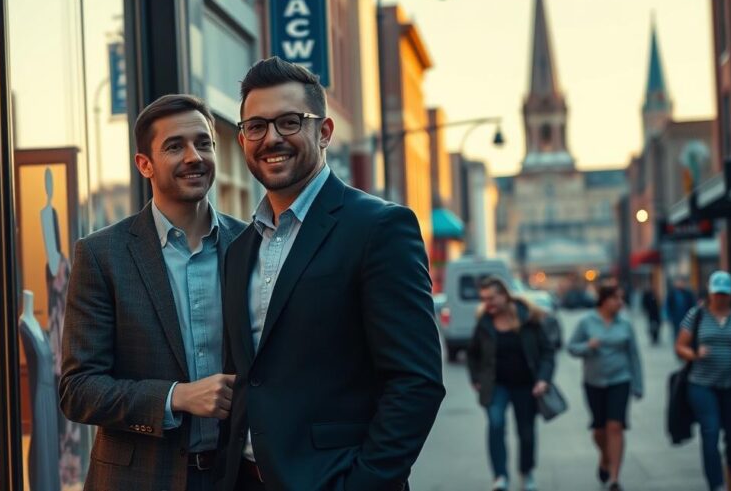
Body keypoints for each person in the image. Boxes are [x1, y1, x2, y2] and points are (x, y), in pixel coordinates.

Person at [215, 57, 445, 491]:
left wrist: (364, 483)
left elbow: (416, 382)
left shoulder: (379, 228)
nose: (271, 139)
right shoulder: (240, 248)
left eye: (288, 122)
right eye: (256, 126)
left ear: (323, 132)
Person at [59, 95, 246, 490]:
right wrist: (175, 397)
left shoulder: (249, 244)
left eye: (204, 143)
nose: (194, 156)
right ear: (145, 164)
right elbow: (78, 390)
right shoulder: (101, 254)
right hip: (137, 478)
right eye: (175, 146)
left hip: (236, 477)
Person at [467, 277, 556, 491]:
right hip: (496, 385)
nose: (487, 304)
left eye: (491, 298)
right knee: (496, 425)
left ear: (504, 296)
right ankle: (500, 476)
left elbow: (547, 352)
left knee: (526, 431)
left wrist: (543, 379)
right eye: (483, 299)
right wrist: (476, 378)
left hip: (526, 385)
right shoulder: (484, 322)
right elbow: (473, 353)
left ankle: (527, 473)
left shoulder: (528, 318)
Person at [676, 271, 731, 491]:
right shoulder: (696, 315)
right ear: (710, 293)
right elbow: (680, 345)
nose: (721, 298)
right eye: (717, 293)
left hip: (730, 386)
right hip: (701, 385)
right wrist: (693, 353)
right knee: (710, 432)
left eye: (725, 294)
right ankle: (716, 483)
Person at [568, 283, 644, 491]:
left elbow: (634, 355)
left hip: (621, 380)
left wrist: (638, 384)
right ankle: (604, 456)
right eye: (616, 298)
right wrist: (587, 347)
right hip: (593, 382)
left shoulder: (626, 324)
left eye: (621, 299)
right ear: (604, 300)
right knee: (599, 430)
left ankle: (614, 478)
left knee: (615, 426)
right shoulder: (586, 322)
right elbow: (571, 348)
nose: (621, 303)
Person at [666, 276, 695, 341]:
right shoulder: (672, 293)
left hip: (686, 317)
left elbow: (692, 305)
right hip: (675, 318)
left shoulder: (688, 293)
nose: (680, 284)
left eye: (682, 282)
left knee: (686, 333)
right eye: (679, 282)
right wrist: (669, 317)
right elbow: (668, 306)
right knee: (676, 334)